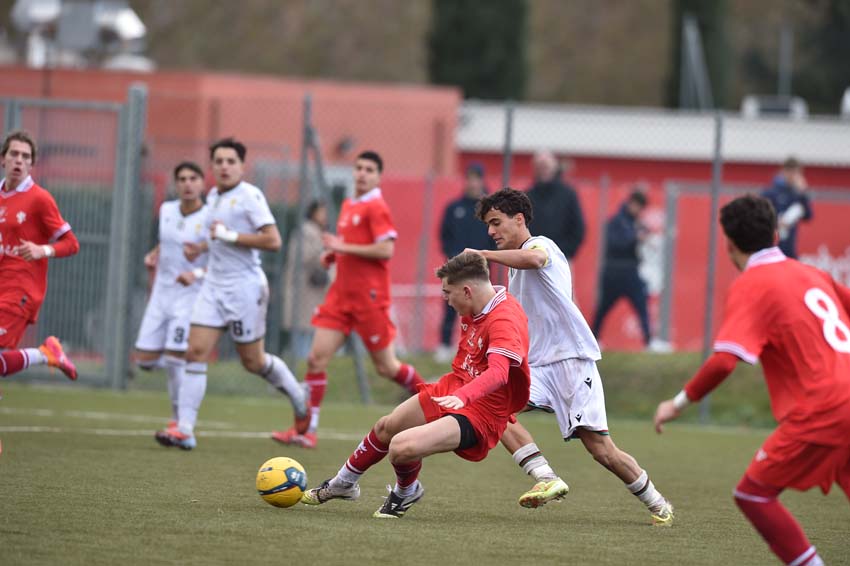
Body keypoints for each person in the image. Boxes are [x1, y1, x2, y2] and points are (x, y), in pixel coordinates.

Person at [654, 194, 850, 566]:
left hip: (825, 406)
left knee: (754, 494)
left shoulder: (753, 284)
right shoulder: (812, 273)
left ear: (729, 243)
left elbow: (724, 363)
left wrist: (677, 403)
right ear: (776, 233)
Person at [468, 188, 673, 524]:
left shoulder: (542, 246)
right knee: (491, 407)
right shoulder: (513, 266)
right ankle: (546, 477)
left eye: (496, 222)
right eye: (488, 226)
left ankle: (659, 504)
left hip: (572, 363)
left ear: (519, 219)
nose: (491, 231)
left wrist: (483, 255)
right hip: (537, 366)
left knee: (601, 451)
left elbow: (535, 259)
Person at [300, 251, 531, 518]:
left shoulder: (503, 319)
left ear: (467, 291)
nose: (446, 300)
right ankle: (343, 483)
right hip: (456, 387)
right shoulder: (477, 302)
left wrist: (464, 396)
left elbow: (499, 373)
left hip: (482, 411)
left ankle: (405, 492)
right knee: (386, 427)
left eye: (448, 293)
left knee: (401, 448)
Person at [158, 137, 307, 450]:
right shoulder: (213, 196)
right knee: (195, 352)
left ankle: (297, 393)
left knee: (253, 362)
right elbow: (218, 238)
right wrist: (201, 246)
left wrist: (231, 235)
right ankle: (185, 430)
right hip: (213, 286)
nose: (224, 167)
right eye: (219, 161)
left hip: (244, 288)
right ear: (212, 167)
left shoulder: (250, 196)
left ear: (241, 166)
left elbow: (273, 240)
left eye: (231, 161)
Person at [272, 151, 425, 449]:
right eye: (359, 168)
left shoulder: (376, 207)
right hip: (340, 298)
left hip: (369, 299)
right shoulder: (349, 204)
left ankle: (432, 398)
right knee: (316, 359)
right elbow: (351, 246)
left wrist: (343, 247)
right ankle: (306, 431)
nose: (362, 174)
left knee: (387, 367)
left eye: (369, 169)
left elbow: (385, 250)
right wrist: (334, 254)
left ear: (378, 176)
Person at [133, 161, 208, 444]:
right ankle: (185, 380)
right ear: (176, 184)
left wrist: (195, 273)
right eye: (182, 179)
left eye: (193, 178)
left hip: (190, 297)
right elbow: (167, 242)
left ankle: (180, 422)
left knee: (176, 356)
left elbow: (221, 261)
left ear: (202, 183)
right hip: (161, 294)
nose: (188, 183)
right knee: (145, 360)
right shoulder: (166, 210)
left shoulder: (210, 217)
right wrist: (154, 255)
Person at [0, 130, 79, 381]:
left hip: (20, 290)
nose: (19, 160)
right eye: (14, 154)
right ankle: (47, 353)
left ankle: (45, 355)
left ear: (32, 164)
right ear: (3, 159)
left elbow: (71, 244)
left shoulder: (39, 199)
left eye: (25, 156)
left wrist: (41, 250)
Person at [434, 162, 491, 363]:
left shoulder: (488, 212)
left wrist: (486, 258)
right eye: (469, 178)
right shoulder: (454, 208)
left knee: (481, 306)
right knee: (451, 303)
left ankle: (480, 347)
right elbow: (445, 235)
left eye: (476, 179)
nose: (472, 183)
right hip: (456, 268)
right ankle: (444, 345)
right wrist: (453, 257)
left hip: (480, 270)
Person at [592, 190, 652, 348]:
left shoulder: (635, 222)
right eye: (638, 206)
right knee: (603, 309)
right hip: (614, 272)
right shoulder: (617, 221)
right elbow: (615, 244)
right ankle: (593, 339)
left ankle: (649, 341)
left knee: (642, 306)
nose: (639, 211)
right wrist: (634, 238)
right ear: (631, 203)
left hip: (631, 271)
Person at [282, 200, 330, 360]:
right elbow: (302, 256)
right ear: (313, 213)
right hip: (303, 290)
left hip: (314, 292)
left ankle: (308, 360)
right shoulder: (305, 232)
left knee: (313, 330)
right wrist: (323, 251)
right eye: (321, 212)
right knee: (302, 331)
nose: (325, 216)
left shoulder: (320, 232)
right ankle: (300, 361)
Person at [525, 150, 585, 261]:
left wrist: (565, 252)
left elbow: (578, 228)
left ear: (554, 168)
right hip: (532, 256)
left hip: (560, 257)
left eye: (546, 167)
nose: (543, 171)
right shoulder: (528, 196)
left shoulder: (568, 195)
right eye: (539, 167)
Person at [761, 157, 812, 259]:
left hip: (789, 248)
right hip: (772, 247)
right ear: (784, 172)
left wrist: (803, 194)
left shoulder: (797, 194)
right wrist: (776, 222)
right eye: (791, 173)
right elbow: (760, 215)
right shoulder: (772, 192)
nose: (794, 177)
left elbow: (808, 215)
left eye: (797, 174)